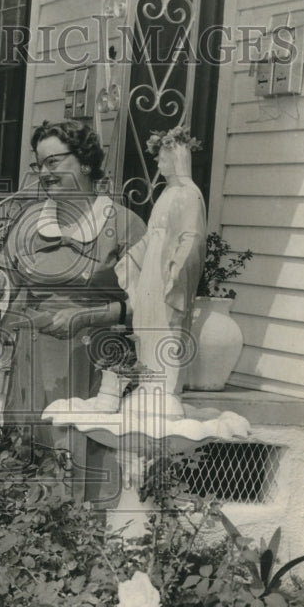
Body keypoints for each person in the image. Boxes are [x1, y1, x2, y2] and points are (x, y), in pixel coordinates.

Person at [0, 118, 147, 503]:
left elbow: (145, 306)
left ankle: (81, 552)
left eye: (53, 162)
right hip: (32, 363)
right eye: (39, 164)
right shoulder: (28, 224)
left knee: (81, 455)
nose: (44, 173)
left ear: (84, 162)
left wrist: (87, 316)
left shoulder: (123, 225)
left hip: (91, 363)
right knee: (29, 457)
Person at [116, 126, 207, 404]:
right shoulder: (167, 194)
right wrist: (131, 258)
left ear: (177, 159)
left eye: (163, 158)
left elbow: (192, 238)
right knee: (147, 325)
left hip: (166, 274)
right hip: (151, 273)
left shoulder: (189, 195)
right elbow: (152, 236)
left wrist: (175, 274)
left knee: (167, 327)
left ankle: (164, 391)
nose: (158, 162)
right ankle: (148, 387)